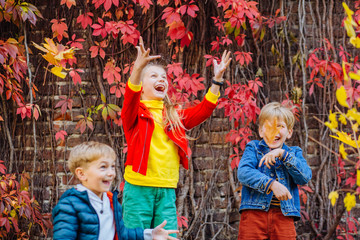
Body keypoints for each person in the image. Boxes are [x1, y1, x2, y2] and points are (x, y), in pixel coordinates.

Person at [120, 36, 231, 236]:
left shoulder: (174, 116)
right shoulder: (134, 114)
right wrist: (138, 68)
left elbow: (204, 110)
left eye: (163, 77)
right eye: (153, 76)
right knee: (134, 236)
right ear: (141, 86)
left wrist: (217, 80)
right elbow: (130, 94)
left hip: (167, 189)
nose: (161, 79)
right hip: (138, 188)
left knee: (168, 236)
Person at [52, 141, 178, 240]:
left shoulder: (111, 202)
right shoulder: (69, 206)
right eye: (103, 167)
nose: (111, 173)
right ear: (82, 174)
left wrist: (150, 234)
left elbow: (122, 234)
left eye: (112, 167)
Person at [237, 102, 312, 240]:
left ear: (289, 132)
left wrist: (284, 155)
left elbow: (305, 177)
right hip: (254, 215)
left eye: (280, 126)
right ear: (260, 131)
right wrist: (271, 184)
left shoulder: (293, 153)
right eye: (269, 126)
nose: (274, 131)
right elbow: (243, 172)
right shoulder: (253, 148)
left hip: (284, 216)